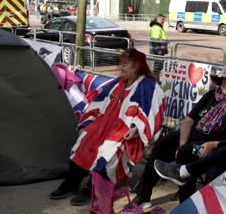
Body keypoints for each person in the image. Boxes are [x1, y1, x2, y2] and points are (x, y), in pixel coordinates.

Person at [133, 57, 226, 208]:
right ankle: (143, 195)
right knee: (162, 144)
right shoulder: (211, 95)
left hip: (214, 146)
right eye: (225, 79)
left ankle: (186, 205)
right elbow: (188, 121)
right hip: (192, 136)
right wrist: (181, 142)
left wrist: (214, 144)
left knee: (187, 152)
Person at [49, 48, 166, 206]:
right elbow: (97, 102)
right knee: (85, 142)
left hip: (127, 132)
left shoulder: (149, 87)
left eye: (126, 65)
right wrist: (88, 123)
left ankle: (94, 187)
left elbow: (154, 114)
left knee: (108, 150)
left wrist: (137, 130)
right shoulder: (118, 83)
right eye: (121, 64)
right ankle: (71, 182)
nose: (121, 68)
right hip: (104, 127)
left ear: (137, 66)